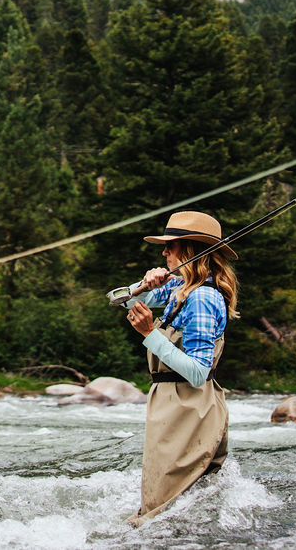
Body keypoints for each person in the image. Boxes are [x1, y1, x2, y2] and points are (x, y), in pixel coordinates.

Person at [121, 210, 240, 525]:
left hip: (188, 405)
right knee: (175, 508)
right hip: (175, 402)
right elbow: (118, 301)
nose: (164, 253)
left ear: (190, 251)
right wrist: (142, 286)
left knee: (162, 510)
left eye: (170, 247)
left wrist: (150, 333)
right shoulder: (178, 289)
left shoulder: (201, 298)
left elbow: (197, 373)